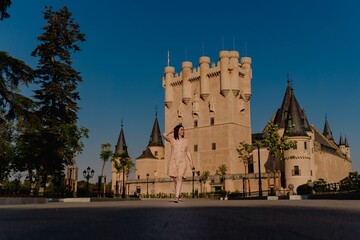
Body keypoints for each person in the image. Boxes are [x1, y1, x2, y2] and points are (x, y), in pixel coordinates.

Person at [163, 124, 193, 203]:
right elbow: (164, 135)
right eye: (181, 130)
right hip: (173, 161)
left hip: (182, 161)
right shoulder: (172, 139)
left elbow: (187, 151)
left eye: (183, 130)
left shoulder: (185, 140)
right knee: (175, 180)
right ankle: (178, 195)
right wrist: (171, 131)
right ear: (178, 131)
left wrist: (191, 162)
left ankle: (176, 197)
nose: (183, 131)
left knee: (179, 177)